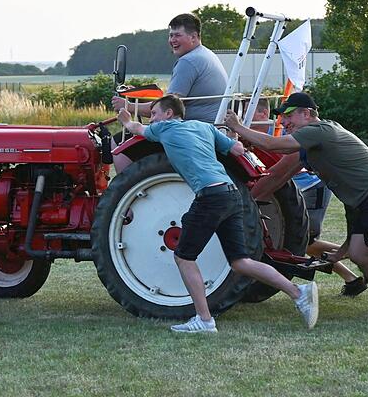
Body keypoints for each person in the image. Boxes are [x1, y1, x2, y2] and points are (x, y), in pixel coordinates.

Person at [225, 92, 368, 326]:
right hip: (362, 200)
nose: (283, 122)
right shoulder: (314, 137)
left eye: (288, 116)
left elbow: (273, 144)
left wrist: (237, 127)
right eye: (281, 118)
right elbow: (279, 172)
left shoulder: (318, 130)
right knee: (360, 255)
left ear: (306, 114)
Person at [118, 94, 319, 333]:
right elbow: (237, 148)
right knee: (240, 262)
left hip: (210, 196)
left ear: (169, 114)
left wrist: (125, 118)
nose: (153, 119)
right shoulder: (203, 127)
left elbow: (136, 128)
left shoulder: (164, 128)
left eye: (155, 113)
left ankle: (204, 320)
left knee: (183, 256)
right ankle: (298, 293)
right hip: (232, 193)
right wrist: (233, 133)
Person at [112, 13, 228, 172]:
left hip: (189, 127)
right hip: (208, 124)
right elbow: (172, 101)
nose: (172, 40)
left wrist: (128, 106)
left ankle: (123, 191)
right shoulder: (205, 55)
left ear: (193, 37)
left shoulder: (188, 61)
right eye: (170, 35)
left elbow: (167, 109)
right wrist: (137, 96)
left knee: (119, 143)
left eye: (178, 35)